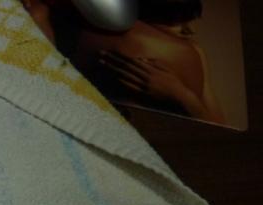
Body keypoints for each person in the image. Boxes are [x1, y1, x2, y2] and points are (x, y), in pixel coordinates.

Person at [21, 0, 225, 124]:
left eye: (189, 19)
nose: (188, 30)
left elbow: (218, 124)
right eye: (176, 21)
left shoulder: (194, 52)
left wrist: (180, 94)